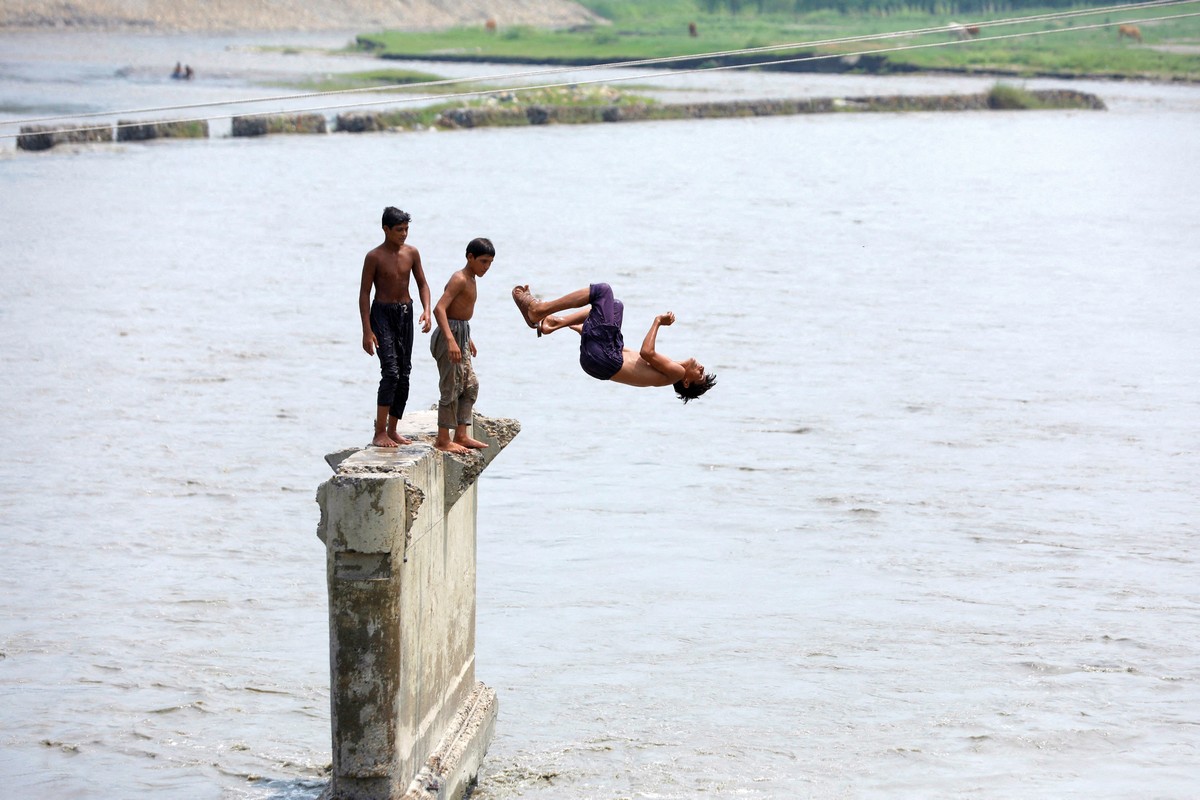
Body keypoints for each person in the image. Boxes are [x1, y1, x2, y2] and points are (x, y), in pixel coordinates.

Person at [512, 282, 716, 402]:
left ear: (686, 382)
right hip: (602, 360)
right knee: (615, 306)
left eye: (700, 374)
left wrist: (657, 322)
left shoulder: (676, 374)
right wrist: (581, 329)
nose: (701, 368)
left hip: (606, 359)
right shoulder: (669, 369)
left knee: (603, 291)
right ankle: (556, 323)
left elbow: (646, 352)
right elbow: (629, 354)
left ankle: (540, 310)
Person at [359, 207, 431, 447]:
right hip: (382, 313)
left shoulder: (412, 253)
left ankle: (392, 429)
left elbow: (422, 284)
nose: (404, 234)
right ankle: (379, 431)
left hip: (405, 313)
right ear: (386, 229)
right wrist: (367, 331)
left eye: (406, 229)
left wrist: (427, 310)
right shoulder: (374, 257)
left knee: (404, 372)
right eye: (399, 230)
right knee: (390, 371)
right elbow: (364, 293)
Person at [430, 238, 495, 453]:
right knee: (451, 386)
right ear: (470, 257)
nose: (486, 267)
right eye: (483, 261)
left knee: (470, 385)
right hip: (450, 333)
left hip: (462, 332)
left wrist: (467, 339)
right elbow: (440, 309)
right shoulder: (459, 278)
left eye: (490, 263)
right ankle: (442, 440)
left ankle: (460, 434)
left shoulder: (472, 279)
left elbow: (460, 311)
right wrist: (450, 340)